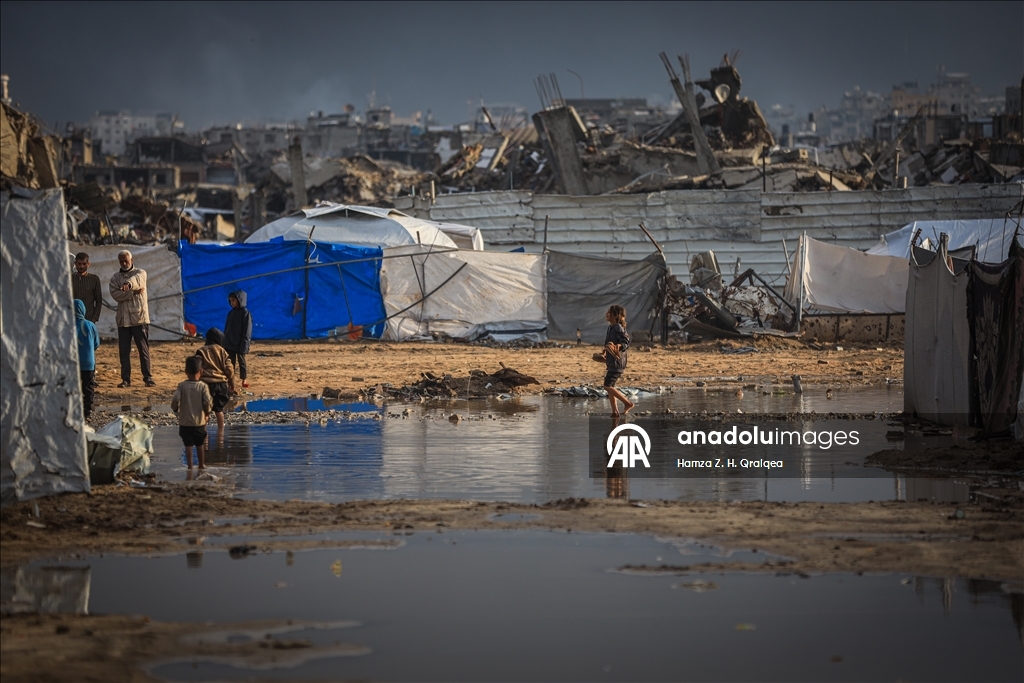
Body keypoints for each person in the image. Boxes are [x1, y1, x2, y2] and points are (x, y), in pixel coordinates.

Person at [108, 250, 154, 387]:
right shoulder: (115, 278)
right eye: (121, 261)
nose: (124, 263)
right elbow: (115, 295)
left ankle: (147, 377)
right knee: (124, 351)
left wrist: (128, 286)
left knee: (143, 349)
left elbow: (137, 281)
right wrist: (133, 292)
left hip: (139, 318)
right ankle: (125, 379)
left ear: (131, 260)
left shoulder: (141, 273)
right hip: (123, 320)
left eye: (126, 261)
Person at [171, 355, 213, 472]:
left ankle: (189, 467)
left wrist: (175, 409)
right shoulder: (203, 386)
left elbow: (175, 399)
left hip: (185, 422)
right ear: (201, 371)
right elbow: (208, 401)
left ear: (186, 372)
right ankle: (201, 465)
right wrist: (207, 412)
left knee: (188, 444)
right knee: (200, 444)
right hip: (199, 421)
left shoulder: (182, 386)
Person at [195, 327, 235, 429]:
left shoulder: (201, 351)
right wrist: (231, 383)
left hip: (206, 385)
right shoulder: (222, 351)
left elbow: (196, 367)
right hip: (221, 384)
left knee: (205, 410)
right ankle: (221, 432)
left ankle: (203, 434)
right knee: (219, 410)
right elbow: (229, 369)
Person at [601, 304, 634, 417]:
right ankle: (615, 412)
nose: (607, 314)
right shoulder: (611, 327)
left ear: (615, 315)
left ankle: (627, 403)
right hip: (612, 362)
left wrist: (618, 346)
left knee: (607, 386)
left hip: (617, 362)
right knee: (611, 387)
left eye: (609, 312)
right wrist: (604, 352)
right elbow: (609, 344)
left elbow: (626, 341)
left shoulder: (617, 327)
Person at [74, 299, 100, 419]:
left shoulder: (68, 326)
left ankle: (75, 411)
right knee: (88, 387)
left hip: (73, 363)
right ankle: (87, 413)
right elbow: (96, 343)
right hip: (88, 363)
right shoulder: (90, 325)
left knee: (74, 388)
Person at [223, 290, 252, 389]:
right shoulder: (230, 313)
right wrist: (224, 341)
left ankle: (244, 380)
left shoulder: (245, 313)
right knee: (230, 363)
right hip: (230, 342)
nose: (232, 303)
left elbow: (247, 331)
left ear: (240, 300)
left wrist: (245, 344)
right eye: (230, 301)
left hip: (240, 343)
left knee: (242, 362)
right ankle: (231, 381)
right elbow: (227, 329)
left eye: (233, 300)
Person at [71, 252, 102, 324]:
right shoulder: (70, 279)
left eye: (84, 264)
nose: (81, 266)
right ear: (75, 264)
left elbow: (99, 301)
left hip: (89, 319)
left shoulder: (94, 279)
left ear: (88, 264)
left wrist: (94, 318)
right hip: (73, 320)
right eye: (79, 264)